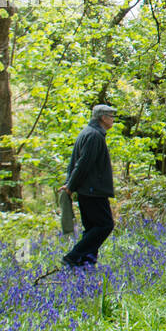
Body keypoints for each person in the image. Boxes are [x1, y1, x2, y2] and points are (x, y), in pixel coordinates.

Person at [58, 103, 117, 268]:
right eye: (111, 116)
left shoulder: (88, 133)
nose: (113, 119)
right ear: (103, 118)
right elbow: (83, 164)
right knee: (105, 225)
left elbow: (74, 162)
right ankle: (73, 257)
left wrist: (70, 183)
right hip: (93, 191)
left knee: (91, 227)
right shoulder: (94, 136)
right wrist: (70, 186)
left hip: (88, 190)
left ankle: (85, 264)